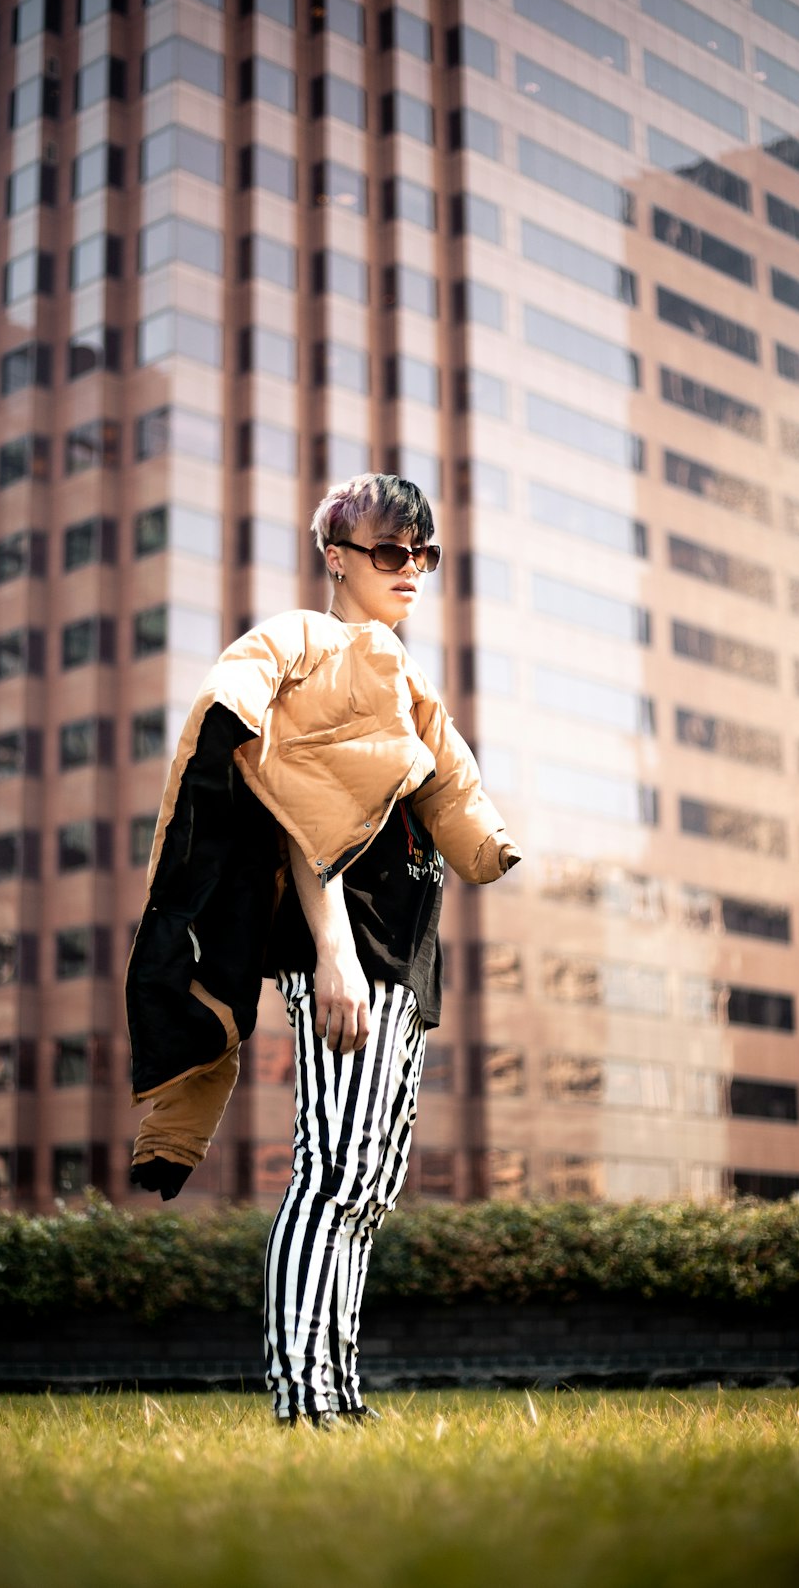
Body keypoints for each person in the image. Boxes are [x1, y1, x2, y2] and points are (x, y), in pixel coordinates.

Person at [126, 473, 521, 1428]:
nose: (412, 569)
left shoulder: (401, 686)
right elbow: (297, 805)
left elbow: (448, 800)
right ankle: (303, 1396)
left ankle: (338, 1392)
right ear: (339, 558)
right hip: (350, 958)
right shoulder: (316, 647)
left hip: (406, 961)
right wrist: (334, 952)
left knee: (372, 1187)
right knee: (333, 1175)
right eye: (391, 551)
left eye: (423, 554)